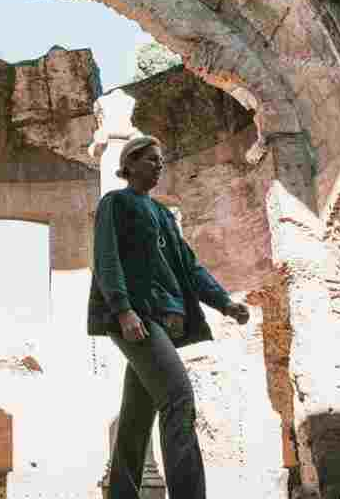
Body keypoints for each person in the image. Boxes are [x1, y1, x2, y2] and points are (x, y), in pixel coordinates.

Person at [87, 135, 249, 499]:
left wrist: (224, 302)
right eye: (150, 160)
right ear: (129, 165)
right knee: (178, 399)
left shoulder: (162, 213)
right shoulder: (116, 202)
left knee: (135, 419)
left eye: (161, 161)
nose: (159, 166)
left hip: (164, 322)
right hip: (138, 319)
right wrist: (123, 309)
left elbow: (190, 267)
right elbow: (106, 258)